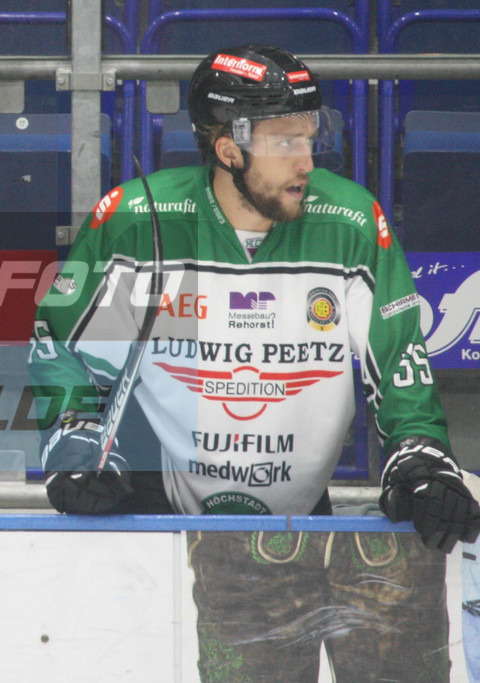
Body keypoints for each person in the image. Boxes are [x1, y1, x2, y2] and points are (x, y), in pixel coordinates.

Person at [29, 44, 480, 680]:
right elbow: (61, 345)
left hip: (304, 532)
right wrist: (77, 441)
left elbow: (398, 360)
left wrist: (422, 457)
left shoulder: (350, 219)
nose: (306, 160)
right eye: (284, 142)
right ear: (227, 149)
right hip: (162, 527)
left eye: (309, 136)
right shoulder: (141, 218)